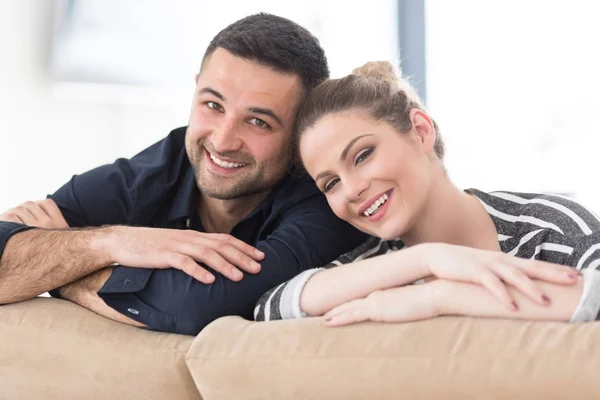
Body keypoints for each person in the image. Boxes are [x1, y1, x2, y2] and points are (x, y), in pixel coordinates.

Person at [0, 13, 367, 335]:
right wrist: (111, 243)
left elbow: (197, 306)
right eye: (213, 105)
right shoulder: (156, 171)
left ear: (302, 130)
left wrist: (62, 273)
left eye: (258, 121)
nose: (222, 141)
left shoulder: (326, 200)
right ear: (194, 92)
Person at [255, 61, 600, 326]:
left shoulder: (547, 229)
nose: (352, 190)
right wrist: (426, 259)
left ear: (420, 131)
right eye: (330, 183)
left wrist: (440, 296)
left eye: (362, 156)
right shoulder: (376, 264)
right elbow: (271, 306)